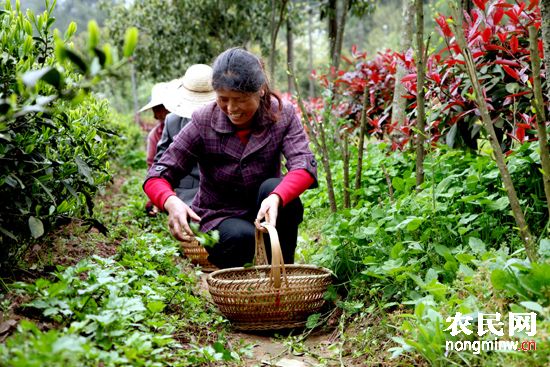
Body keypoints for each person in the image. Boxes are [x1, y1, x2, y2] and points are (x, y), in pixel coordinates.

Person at [143, 47, 318, 269]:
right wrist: (170, 201)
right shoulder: (203, 121)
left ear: (261, 90)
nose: (231, 108)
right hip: (220, 216)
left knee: (278, 190)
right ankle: (238, 285)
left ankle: (282, 272)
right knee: (239, 239)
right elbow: (157, 174)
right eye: (223, 99)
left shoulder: (283, 115)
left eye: (240, 99)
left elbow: (303, 165)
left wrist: (276, 197)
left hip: (265, 208)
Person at [154, 64, 217, 205]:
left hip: (220, 192)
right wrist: (166, 197)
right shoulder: (173, 121)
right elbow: (161, 161)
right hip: (186, 193)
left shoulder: (227, 118)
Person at [138, 82, 172, 216]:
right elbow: (153, 167)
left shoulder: (191, 126)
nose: (155, 115)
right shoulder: (155, 135)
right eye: (155, 109)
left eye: (158, 108)